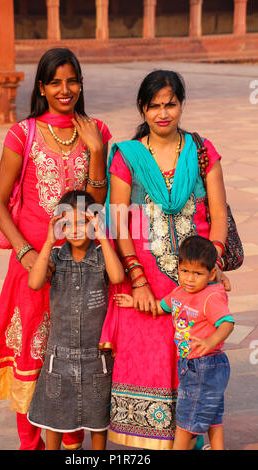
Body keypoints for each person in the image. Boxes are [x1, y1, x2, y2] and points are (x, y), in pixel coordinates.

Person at [0, 48, 111, 450]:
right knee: (32, 352)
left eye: (72, 80)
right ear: (41, 87)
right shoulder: (23, 133)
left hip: (81, 264)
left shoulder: (98, 131)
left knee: (75, 352)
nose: (65, 89)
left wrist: (96, 152)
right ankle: (30, 444)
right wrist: (25, 251)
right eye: (55, 82)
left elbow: (98, 204)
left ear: (81, 83)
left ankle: (72, 443)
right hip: (33, 263)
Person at [101, 69, 230, 449]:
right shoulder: (128, 156)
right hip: (147, 280)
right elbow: (119, 220)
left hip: (196, 279)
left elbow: (219, 214)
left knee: (194, 358)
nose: (163, 113)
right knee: (150, 364)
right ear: (142, 108)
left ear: (180, 105)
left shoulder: (202, 151)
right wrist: (137, 279)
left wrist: (213, 264)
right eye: (154, 105)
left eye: (170, 103)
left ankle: (191, 440)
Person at [114, 235, 234, 450]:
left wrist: (210, 340)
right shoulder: (179, 293)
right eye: (185, 271)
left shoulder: (211, 296)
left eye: (198, 273)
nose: (189, 278)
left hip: (205, 364)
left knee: (186, 421)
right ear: (177, 268)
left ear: (212, 273)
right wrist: (134, 302)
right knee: (211, 413)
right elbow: (161, 307)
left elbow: (227, 323)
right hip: (191, 364)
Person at [27, 190, 124, 450]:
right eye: (67, 223)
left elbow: (116, 277)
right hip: (59, 357)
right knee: (55, 420)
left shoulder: (102, 257)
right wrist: (48, 242)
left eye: (83, 223)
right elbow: (34, 282)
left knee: (98, 421)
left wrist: (102, 236)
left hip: (96, 358)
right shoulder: (56, 258)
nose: (76, 230)